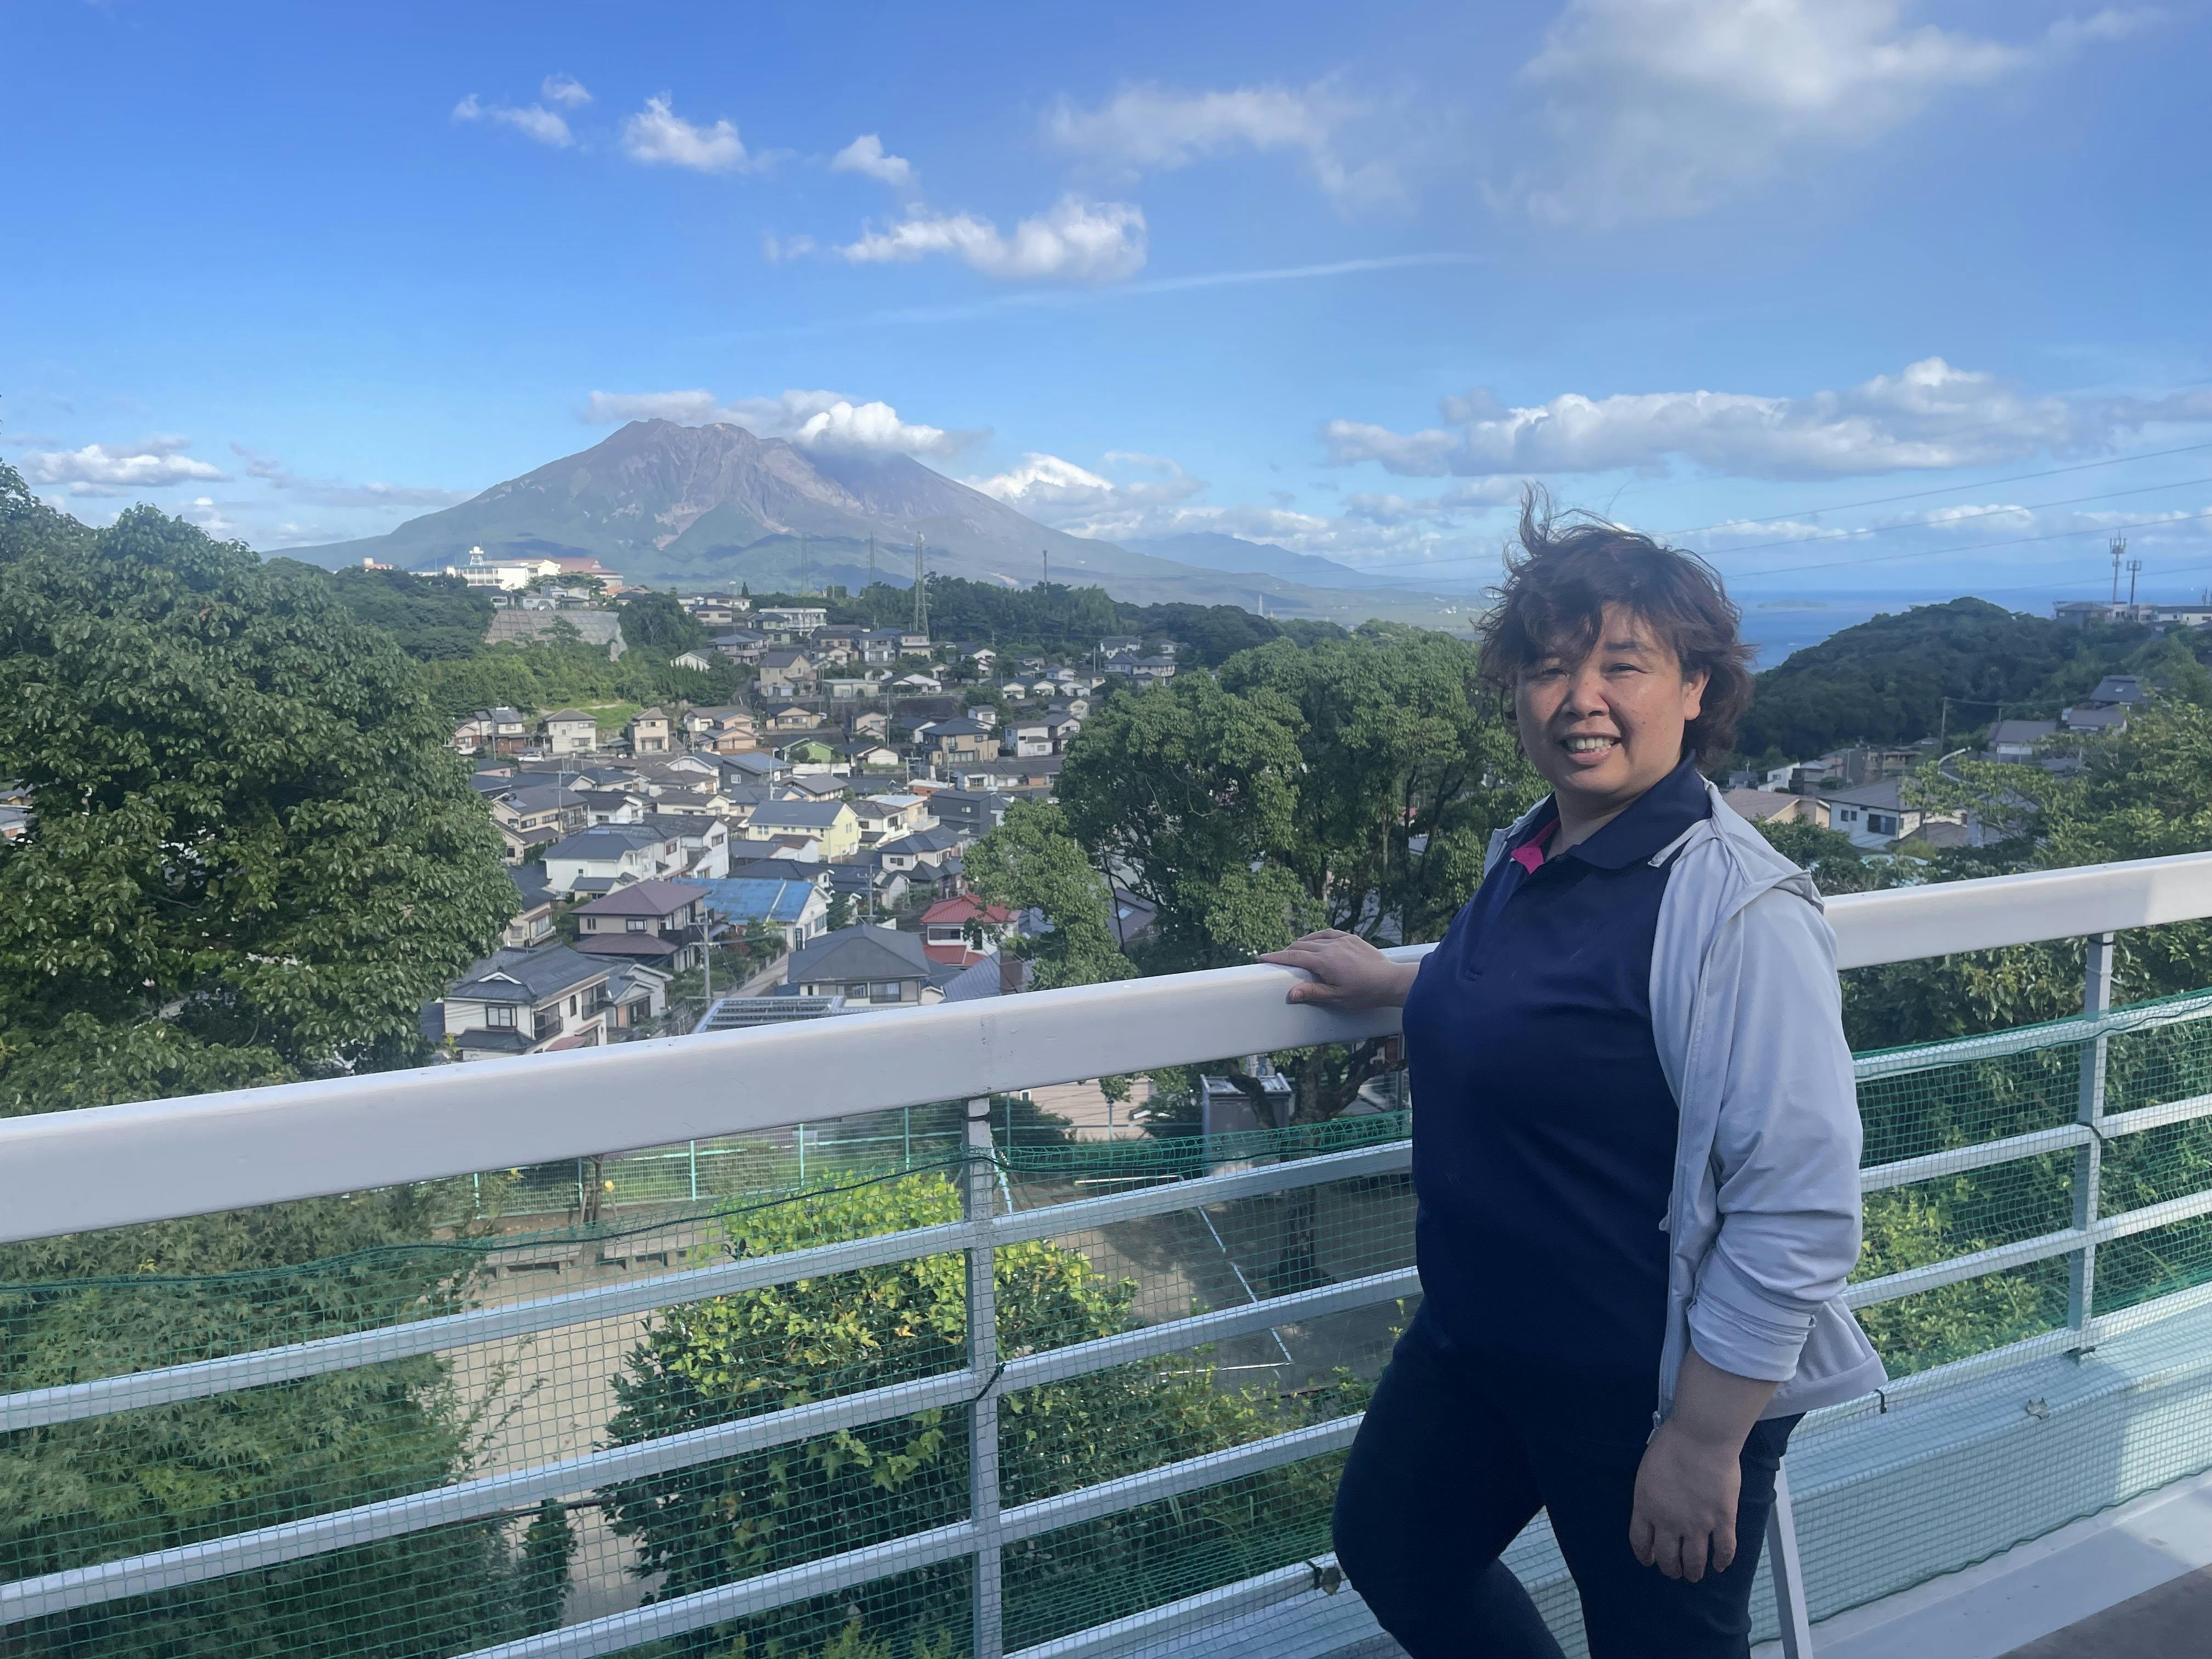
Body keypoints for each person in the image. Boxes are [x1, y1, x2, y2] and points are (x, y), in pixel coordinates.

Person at [1264, 499, 1884, 1658]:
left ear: (1695, 689)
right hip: (1478, 1344)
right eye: (1547, 667)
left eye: (1622, 665)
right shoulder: (1529, 847)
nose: (1578, 697)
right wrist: (1403, 984)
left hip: (1646, 1389)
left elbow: (1800, 1205)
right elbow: (1555, 1005)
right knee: (1396, 1545)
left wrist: (1702, 1441)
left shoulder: (1738, 909)